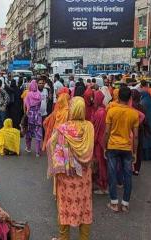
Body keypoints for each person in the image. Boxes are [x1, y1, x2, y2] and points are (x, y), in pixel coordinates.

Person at [47, 97, 94, 240]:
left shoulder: (63, 128)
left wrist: (64, 153)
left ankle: (63, 238)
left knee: (65, 207)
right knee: (84, 206)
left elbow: (50, 144)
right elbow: (89, 151)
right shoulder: (89, 127)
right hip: (83, 176)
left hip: (66, 175)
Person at [104, 87, 139, 212]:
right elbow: (135, 136)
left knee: (112, 174)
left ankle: (114, 203)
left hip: (113, 146)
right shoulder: (134, 113)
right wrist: (134, 151)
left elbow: (107, 132)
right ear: (130, 98)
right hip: (127, 148)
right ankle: (125, 204)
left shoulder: (111, 111)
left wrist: (105, 147)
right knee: (127, 176)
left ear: (118, 98)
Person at [91, 91, 108, 194]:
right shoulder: (103, 110)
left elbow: (96, 129)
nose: (93, 100)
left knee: (100, 164)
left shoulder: (100, 112)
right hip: (102, 141)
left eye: (94, 98)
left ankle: (103, 186)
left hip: (99, 142)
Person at [23, 80, 43, 157]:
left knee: (29, 132)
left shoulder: (28, 94)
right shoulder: (39, 94)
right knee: (38, 133)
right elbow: (40, 105)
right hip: (38, 115)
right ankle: (37, 152)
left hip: (30, 115)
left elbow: (26, 106)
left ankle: (28, 148)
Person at [130, 90, 146, 175]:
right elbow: (144, 119)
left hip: (130, 131)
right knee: (138, 150)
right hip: (139, 130)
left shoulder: (129, 106)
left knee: (131, 149)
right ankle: (136, 169)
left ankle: (131, 167)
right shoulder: (141, 106)